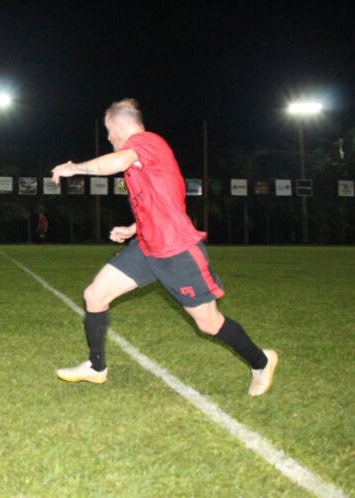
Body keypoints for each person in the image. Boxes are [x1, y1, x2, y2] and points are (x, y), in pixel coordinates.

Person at [50, 99, 277, 396]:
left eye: (108, 131)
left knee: (208, 324)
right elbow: (163, 199)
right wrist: (134, 227)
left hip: (177, 251)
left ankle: (261, 361)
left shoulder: (147, 142)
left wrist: (75, 168)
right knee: (95, 295)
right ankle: (96, 367)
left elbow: (115, 163)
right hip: (146, 247)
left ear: (120, 125)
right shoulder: (142, 159)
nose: (108, 138)